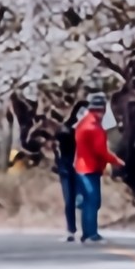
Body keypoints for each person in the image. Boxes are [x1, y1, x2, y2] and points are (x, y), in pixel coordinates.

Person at [70, 93, 115, 243]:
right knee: (92, 201)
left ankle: (85, 233)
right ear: (102, 109)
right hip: (89, 168)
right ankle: (91, 234)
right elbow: (100, 151)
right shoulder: (94, 127)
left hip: (80, 167)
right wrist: (116, 161)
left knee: (85, 201)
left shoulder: (82, 123)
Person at [50, 101, 82, 241]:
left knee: (83, 200)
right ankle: (71, 230)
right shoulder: (64, 129)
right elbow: (55, 148)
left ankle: (87, 229)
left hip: (82, 166)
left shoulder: (89, 128)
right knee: (69, 199)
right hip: (67, 167)